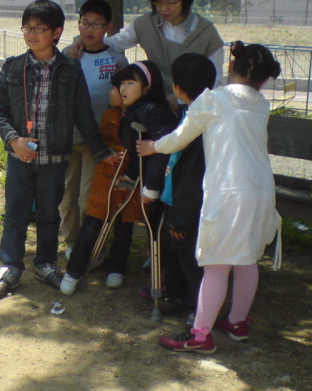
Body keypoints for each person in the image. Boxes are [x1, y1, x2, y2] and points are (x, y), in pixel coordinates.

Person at [138, 41, 282, 354]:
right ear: (263, 79)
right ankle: (238, 321)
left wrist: (152, 147)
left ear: (230, 67)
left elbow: (179, 139)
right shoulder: (261, 103)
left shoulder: (212, 101)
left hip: (229, 192)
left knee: (216, 265)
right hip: (261, 191)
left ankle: (201, 335)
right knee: (246, 260)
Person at [0, 0, 117, 300]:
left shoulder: (70, 70)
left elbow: (84, 117)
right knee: (15, 214)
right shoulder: (13, 67)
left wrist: (103, 154)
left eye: (39, 29)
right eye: (27, 28)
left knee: (49, 215)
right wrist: (13, 140)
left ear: (56, 32)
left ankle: (45, 264)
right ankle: (10, 267)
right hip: (19, 157)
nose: (31, 34)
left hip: (55, 158)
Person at [61, 61, 177, 295]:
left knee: (129, 226)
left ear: (147, 88)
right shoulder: (118, 114)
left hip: (142, 182)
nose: (123, 89)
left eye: (130, 83)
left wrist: (148, 183)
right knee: (93, 223)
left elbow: (162, 148)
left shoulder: (151, 112)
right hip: (112, 177)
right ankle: (74, 272)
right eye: (120, 84)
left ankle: (123, 270)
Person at [69, 0, 225, 98]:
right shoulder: (146, 24)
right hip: (157, 105)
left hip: (195, 107)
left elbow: (216, 83)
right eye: (158, 3)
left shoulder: (206, 33)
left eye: (171, 2)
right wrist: (83, 39)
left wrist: (181, 102)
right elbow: (114, 43)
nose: (164, 9)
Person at [59, 0, 128, 252]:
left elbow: (124, 100)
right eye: (85, 23)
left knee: (89, 197)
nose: (89, 29)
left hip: (98, 143)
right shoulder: (68, 55)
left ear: (108, 27)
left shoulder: (117, 60)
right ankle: (70, 242)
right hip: (68, 139)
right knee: (67, 197)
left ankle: (90, 246)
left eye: (96, 24)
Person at [156, 53, 217, 317]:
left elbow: (192, 176)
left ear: (178, 88)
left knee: (191, 260)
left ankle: (197, 311)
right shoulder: (193, 113)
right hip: (176, 199)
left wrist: (181, 219)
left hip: (187, 204)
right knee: (173, 253)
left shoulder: (198, 123)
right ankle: (174, 295)